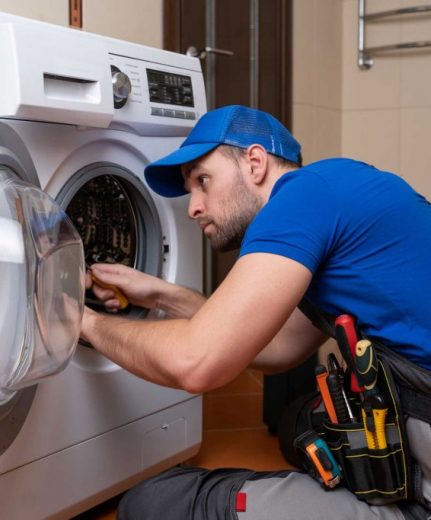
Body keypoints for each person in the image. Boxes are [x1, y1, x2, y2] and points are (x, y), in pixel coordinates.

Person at [81, 105, 431, 519]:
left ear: (254, 162)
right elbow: (278, 346)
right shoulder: (336, 188)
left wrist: (81, 321)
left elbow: (195, 364)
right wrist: (160, 294)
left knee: (152, 505)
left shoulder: (301, 197)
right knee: (298, 426)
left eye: (202, 181)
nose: (193, 207)